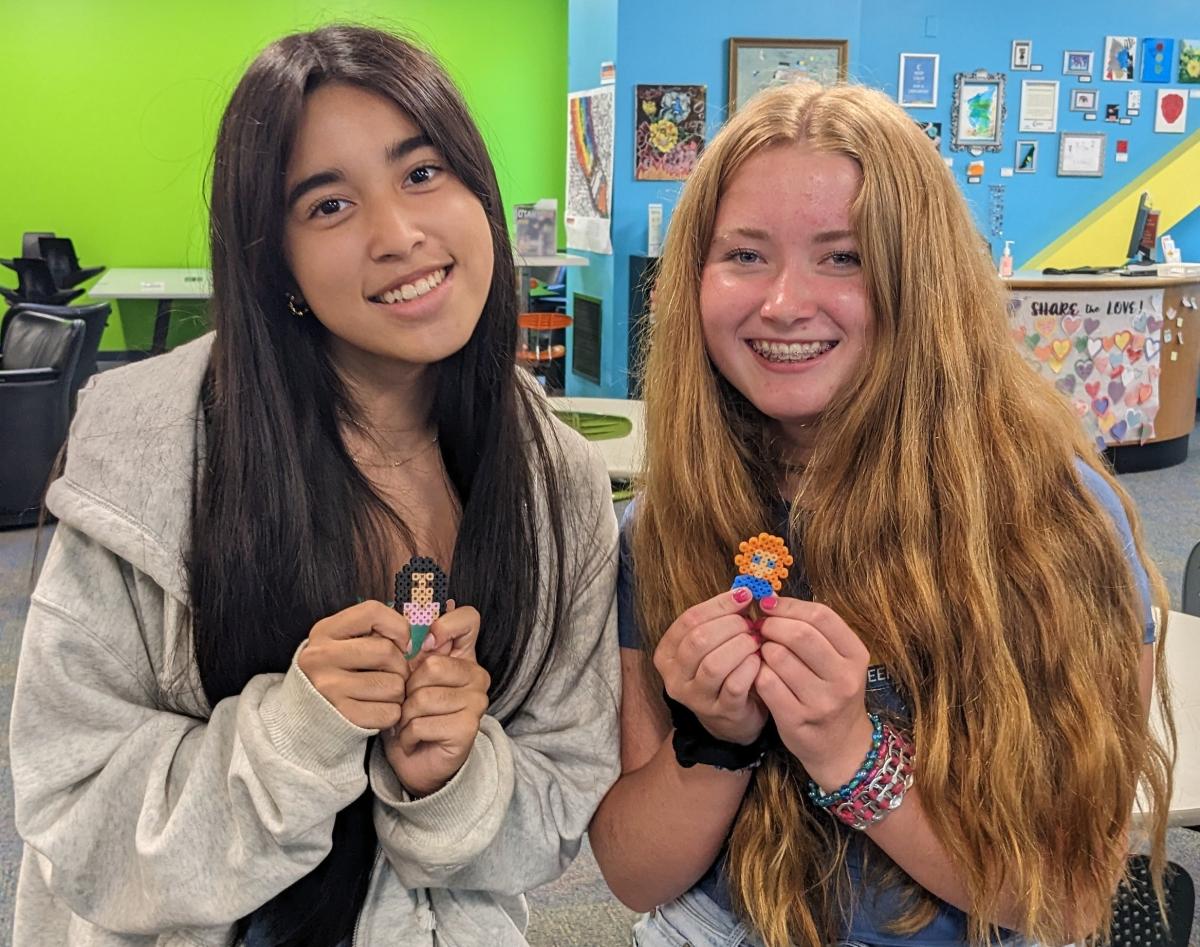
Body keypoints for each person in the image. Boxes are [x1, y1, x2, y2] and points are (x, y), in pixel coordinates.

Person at [10, 25, 620, 947]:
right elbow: (70, 811)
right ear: (276, 262)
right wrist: (290, 739)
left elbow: (563, 793)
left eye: (421, 174)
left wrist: (450, 779)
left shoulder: (556, 483)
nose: (399, 235)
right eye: (329, 206)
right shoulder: (151, 461)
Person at [589, 81, 1174, 947]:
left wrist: (853, 751)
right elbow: (634, 872)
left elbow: (1070, 893)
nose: (784, 302)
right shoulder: (668, 525)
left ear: (922, 279)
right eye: (745, 255)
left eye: (845, 256)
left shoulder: (1053, 518)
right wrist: (717, 743)